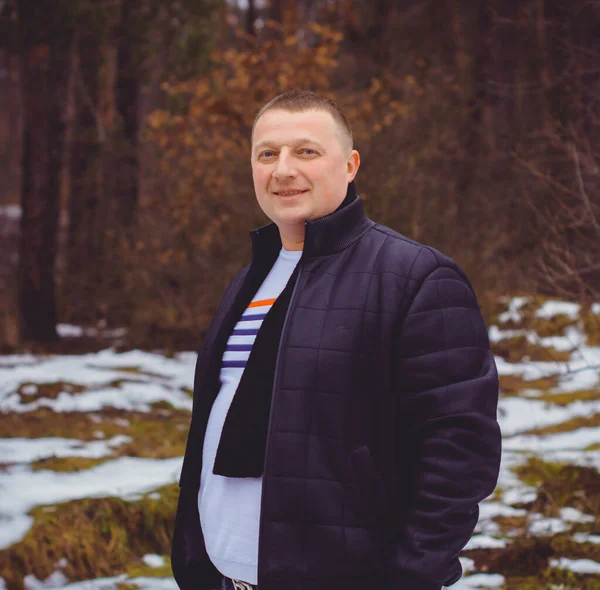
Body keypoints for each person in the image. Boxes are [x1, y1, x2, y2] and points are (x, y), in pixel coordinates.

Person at [171, 90, 502, 590]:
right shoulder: (248, 280)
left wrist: (409, 577)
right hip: (224, 575)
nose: (283, 169)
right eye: (267, 153)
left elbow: (458, 450)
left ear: (350, 165)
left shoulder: (415, 276)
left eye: (306, 151)